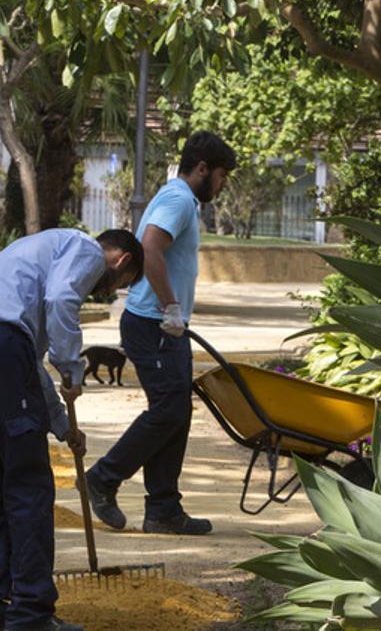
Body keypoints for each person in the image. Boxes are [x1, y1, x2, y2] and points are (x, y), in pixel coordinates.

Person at [0, 228, 144, 631]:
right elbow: (61, 301)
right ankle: (31, 612)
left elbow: (29, 363)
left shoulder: (38, 260)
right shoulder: (85, 249)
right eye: (121, 284)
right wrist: (72, 367)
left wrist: (62, 425)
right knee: (28, 484)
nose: (108, 290)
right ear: (121, 261)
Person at [85, 131, 237, 536]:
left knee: (177, 412)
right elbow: (150, 247)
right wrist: (170, 305)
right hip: (153, 323)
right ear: (202, 169)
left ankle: (164, 510)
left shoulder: (180, 199)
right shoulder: (177, 200)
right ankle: (103, 477)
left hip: (164, 326)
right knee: (169, 410)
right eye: (221, 176)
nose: (222, 186)